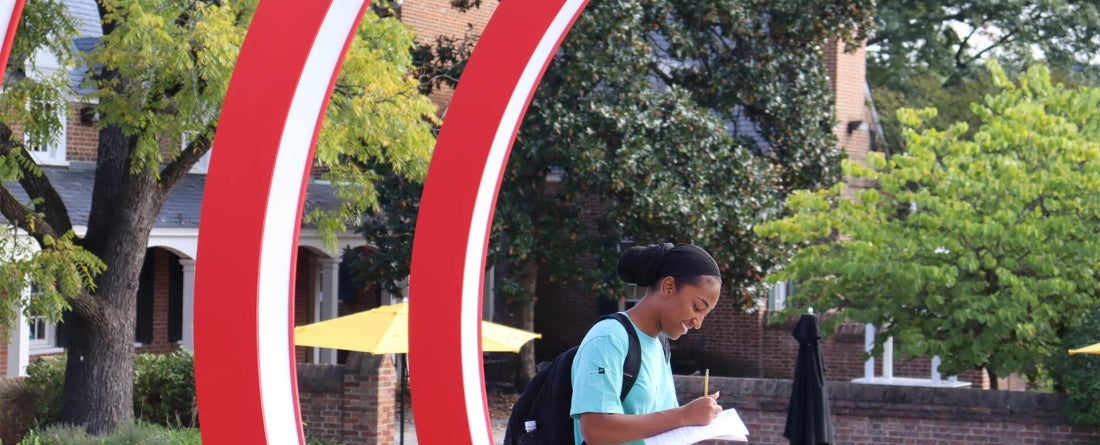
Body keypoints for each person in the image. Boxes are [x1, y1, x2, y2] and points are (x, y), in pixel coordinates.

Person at [570, 242, 724, 445]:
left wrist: (693, 419)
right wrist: (683, 415)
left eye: (705, 314)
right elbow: (595, 429)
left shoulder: (660, 344)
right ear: (668, 286)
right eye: (697, 307)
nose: (698, 323)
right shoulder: (609, 338)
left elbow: (658, 426)